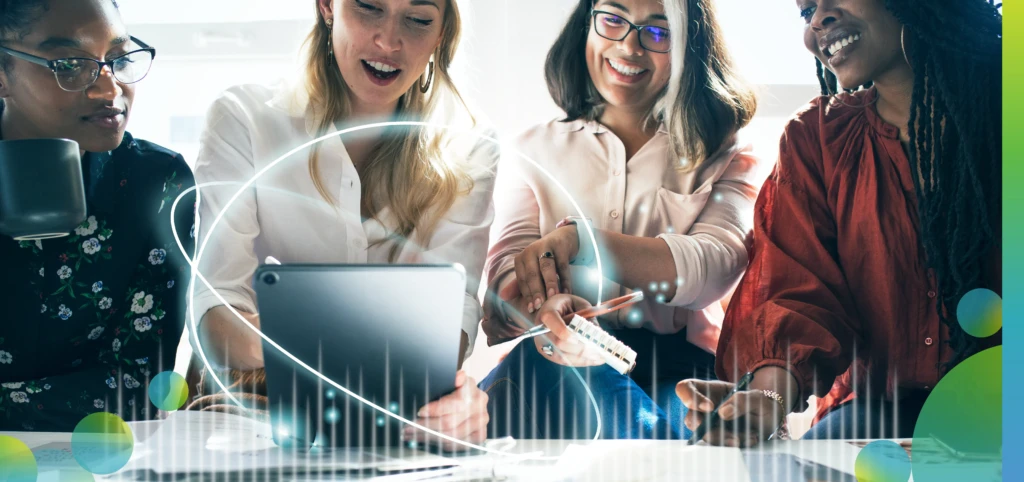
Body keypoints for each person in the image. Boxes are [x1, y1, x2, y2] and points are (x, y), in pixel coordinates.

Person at [678, 0, 1002, 446]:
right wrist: (765, 399)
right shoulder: (816, 138)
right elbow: (798, 295)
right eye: (806, 10)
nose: (818, 19)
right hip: (880, 408)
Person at [190, 0, 496, 451]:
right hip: (252, 399)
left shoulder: (470, 146)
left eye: (418, 20)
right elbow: (215, 307)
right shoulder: (245, 117)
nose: (389, 41)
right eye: (369, 8)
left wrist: (453, 403)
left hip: (397, 405)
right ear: (328, 6)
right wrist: (324, 342)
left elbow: (453, 317)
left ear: (442, 33)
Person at [479, 0, 761, 440]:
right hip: (560, 359)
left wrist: (583, 243)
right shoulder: (532, 150)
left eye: (659, 32)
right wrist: (544, 307)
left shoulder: (725, 152)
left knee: (699, 426)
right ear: (587, 25)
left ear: (689, 46)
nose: (630, 47)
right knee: (564, 373)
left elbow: (715, 265)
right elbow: (504, 285)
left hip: (681, 369)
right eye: (613, 19)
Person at [0, 0, 195, 431]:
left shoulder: (157, 182)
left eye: (119, 59)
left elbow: (141, 389)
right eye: (69, 65)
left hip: (97, 456)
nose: (109, 89)